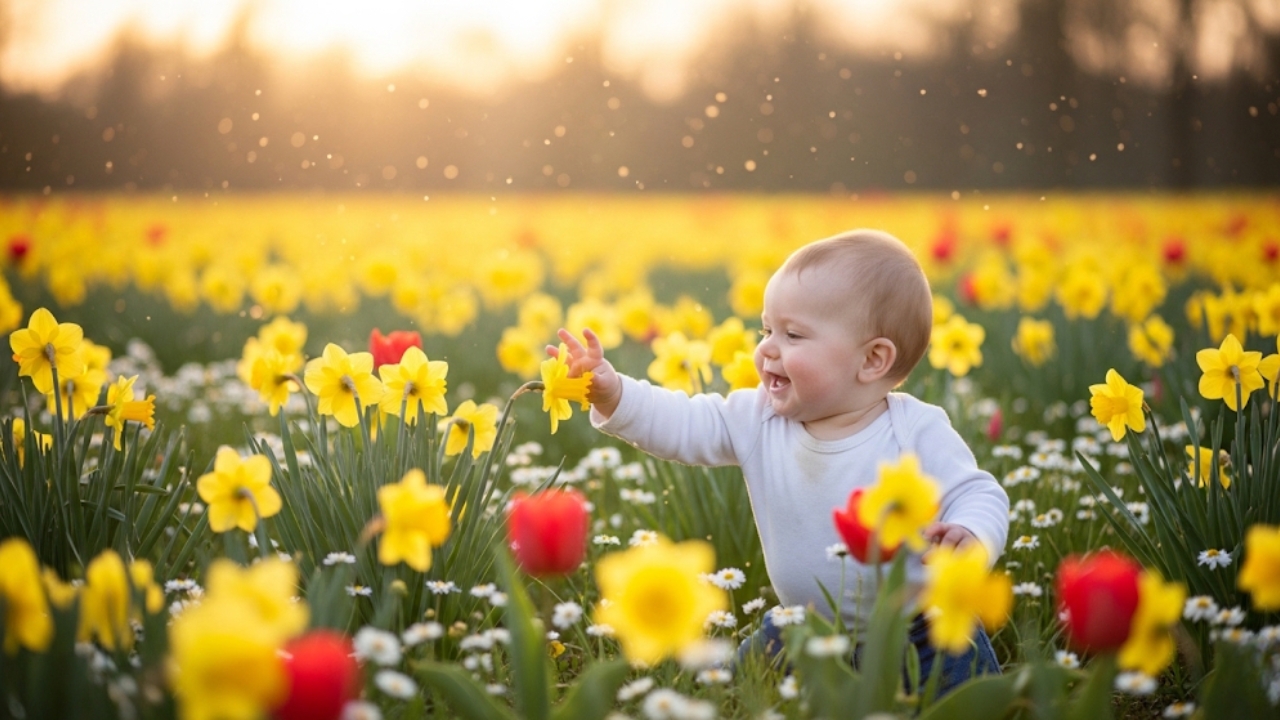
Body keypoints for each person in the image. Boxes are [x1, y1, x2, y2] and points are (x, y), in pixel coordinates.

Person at [549, 229, 1009, 695]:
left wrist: (971, 534)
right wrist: (615, 393)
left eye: (792, 334)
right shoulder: (758, 419)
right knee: (727, 691)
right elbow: (683, 423)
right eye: (766, 329)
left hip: (921, 630)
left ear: (872, 359)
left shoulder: (916, 429)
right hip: (802, 629)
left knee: (972, 702)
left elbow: (978, 493)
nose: (768, 348)